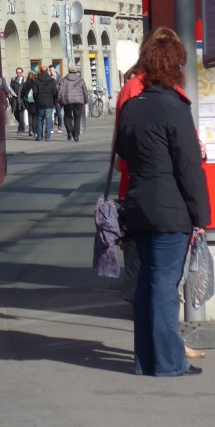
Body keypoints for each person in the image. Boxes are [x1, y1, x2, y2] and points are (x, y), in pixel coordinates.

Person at [115, 28, 210, 377]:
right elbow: (188, 167)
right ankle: (169, 363)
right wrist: (201, 214)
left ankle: (145, 361)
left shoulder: (132, 106)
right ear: (173, 66)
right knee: (164, 286)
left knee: (145, 285)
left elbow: (123, 154)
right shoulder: (174, 106)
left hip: (138, 205)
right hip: (170, 210)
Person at [57, 65, 88, 142]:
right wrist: (85, 100)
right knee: (77, 118)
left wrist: (58, 101)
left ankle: (70, 131)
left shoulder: (64, 80)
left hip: (67, 101)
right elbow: (85, 91)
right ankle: (76, 135)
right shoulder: (81, 80)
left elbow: (59, 91)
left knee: (67, 116)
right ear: (76, 72)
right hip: (79, 101)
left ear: (69, 71)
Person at [30, 62, 58, 141]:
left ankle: (39, 136)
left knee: (39, 119)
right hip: (49, 102)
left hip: (40, 102)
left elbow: (34, 93)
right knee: (48, 119)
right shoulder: (52, 80)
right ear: (47, 71)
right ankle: (48, 137)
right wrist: (54, 99)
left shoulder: (36, 81)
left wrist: (36, 99)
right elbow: (55, 92)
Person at [8, 67, 26, 134]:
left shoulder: (24, 80)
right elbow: (10, 89)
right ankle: (22, 125)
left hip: (22, 100)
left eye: (20, 72)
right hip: (15, 100)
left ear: (22, 73)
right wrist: (10, 94)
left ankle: (20, 129)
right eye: (17, 72)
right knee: (16, 114)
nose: (19, 74)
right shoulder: (13, 80)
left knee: (21, 115)